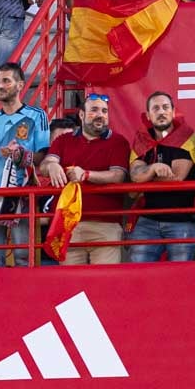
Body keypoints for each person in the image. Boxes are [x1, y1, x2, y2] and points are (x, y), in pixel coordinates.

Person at [0, 63, 49, 267]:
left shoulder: (37, 116)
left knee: (23, 255)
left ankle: (25, 298)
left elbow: (42, 157)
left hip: (22, 192)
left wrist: (21, 155)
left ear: (20, 84)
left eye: (6, 80)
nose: (0, 86)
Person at [37, 93, 130, 265]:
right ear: (81, 115)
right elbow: (45, 165)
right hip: (69, 225)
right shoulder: (63, 140)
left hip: (106, 225)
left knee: (104, 285)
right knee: (72, 287)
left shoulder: (119, 142)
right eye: (94, 110)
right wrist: (51, 165)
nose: (100, 115)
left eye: (104, 111)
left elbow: (118, 176)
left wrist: (86, 174)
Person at [126, 91, 195, 263]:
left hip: (183, 220)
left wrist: (145, 174)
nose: (161, 112)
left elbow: (176, 177)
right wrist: (155, 168)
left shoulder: (186, 136)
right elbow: (134, 176)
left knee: (180, 279)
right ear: (148, 115)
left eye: (166, 107)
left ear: (173, 112)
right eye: (155, 108)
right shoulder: (142, 139)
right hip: (147, 220)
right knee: (139, 276)